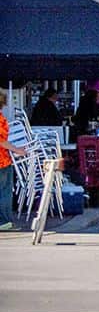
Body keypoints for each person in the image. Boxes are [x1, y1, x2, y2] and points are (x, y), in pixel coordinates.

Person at [0, 88, 27, 231]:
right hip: (2, 161)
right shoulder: (0, 120)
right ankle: (4, 222)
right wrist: (18, 150)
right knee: (4, 192)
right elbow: (1, 141)